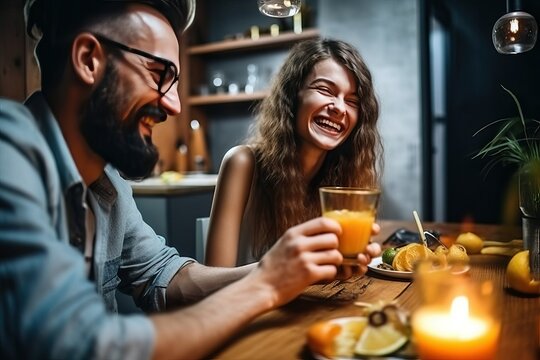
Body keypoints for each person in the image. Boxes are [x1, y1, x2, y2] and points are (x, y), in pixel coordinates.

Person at [0, 1, 380, 359]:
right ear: (88, 60)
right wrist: (265, 286)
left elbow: (166, 276)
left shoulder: (109, 187)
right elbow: (86, 345)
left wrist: (284, 269)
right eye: (158, 75)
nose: (174, 105)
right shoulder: (9, 150)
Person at [205, 38, 383, 268]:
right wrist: (289, 268)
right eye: (324, 90)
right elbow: (213, 277)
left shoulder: (342, 177)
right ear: (292, 96)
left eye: (352, 101)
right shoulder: (242, 163)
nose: (339, 107)